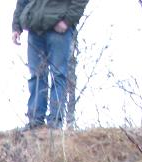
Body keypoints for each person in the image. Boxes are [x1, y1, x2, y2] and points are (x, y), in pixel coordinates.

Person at [12, 0, 90, 129]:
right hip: (35, 27)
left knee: (58, 75)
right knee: (36, 75)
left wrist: (67, 21)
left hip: (58, 29)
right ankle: (36, 120)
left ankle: (55, 121)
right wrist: (16, 27)